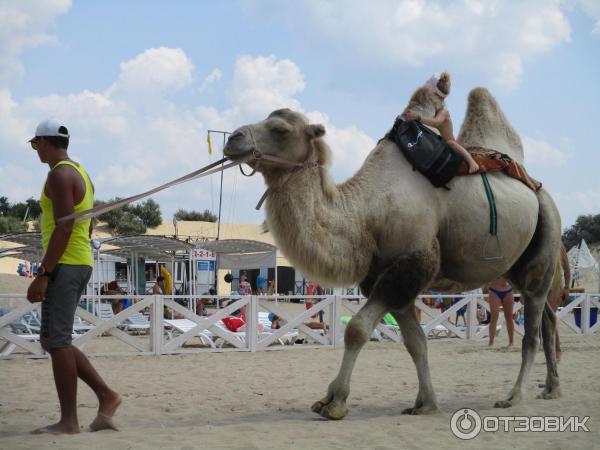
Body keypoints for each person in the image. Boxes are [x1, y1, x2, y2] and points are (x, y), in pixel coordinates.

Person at [26, 119, 121, 434]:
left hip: (65, 263)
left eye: (34, 143)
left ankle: (69, 421)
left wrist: (44, 272)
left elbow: (65, 226)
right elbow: (87, 225)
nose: (35, 150)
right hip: (78, 260)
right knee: (54, 341)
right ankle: (107, 395)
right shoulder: (81, 173)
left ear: (43, 141)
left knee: (57, 341)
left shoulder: (58, 174)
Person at [404, 72, 479, 174]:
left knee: (451, 143)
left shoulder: (443, 111)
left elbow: (436, 123)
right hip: (440, 142)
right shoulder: (435, 109)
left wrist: (417, 117)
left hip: (449, 141)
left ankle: (472, 162)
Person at [547, 243, 571, 362]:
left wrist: (566, 287)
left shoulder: (558, 245)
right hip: (540, 287)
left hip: (555, 286)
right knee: (543, 321)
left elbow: (566, 268)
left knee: (550, 319)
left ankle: (557, 351)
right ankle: (551, 352)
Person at [486, 278, 515, 347]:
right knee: (494, 317)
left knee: (509, 318)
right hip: (494, 290)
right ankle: (491, 342)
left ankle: (511, 342)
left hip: (508, 290)